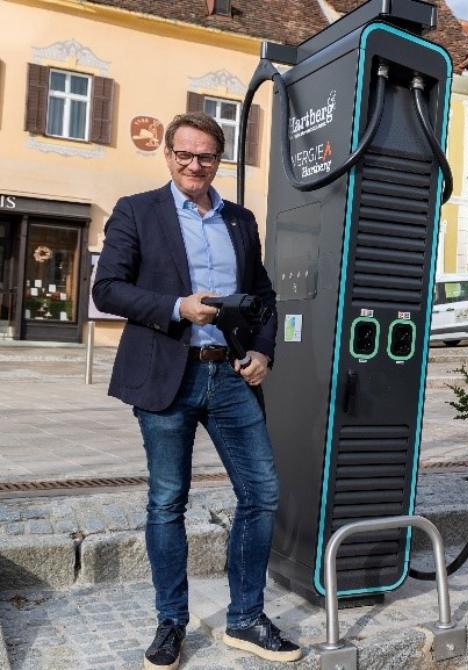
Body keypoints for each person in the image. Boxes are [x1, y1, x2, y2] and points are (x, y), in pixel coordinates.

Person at [93, 112, 301, 669]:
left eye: (206, 156)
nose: (195, 165)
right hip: (168, 372)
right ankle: (171, 622)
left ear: (218, 160)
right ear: (168, 154)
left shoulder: (240, 220)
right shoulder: (138, 211)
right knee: (167, 503)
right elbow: (107, 288)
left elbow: (262, 295)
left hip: (231, 375)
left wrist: (263, 350)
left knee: (262, 494)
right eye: (184, 154)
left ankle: (245, 618)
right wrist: (174, 307)